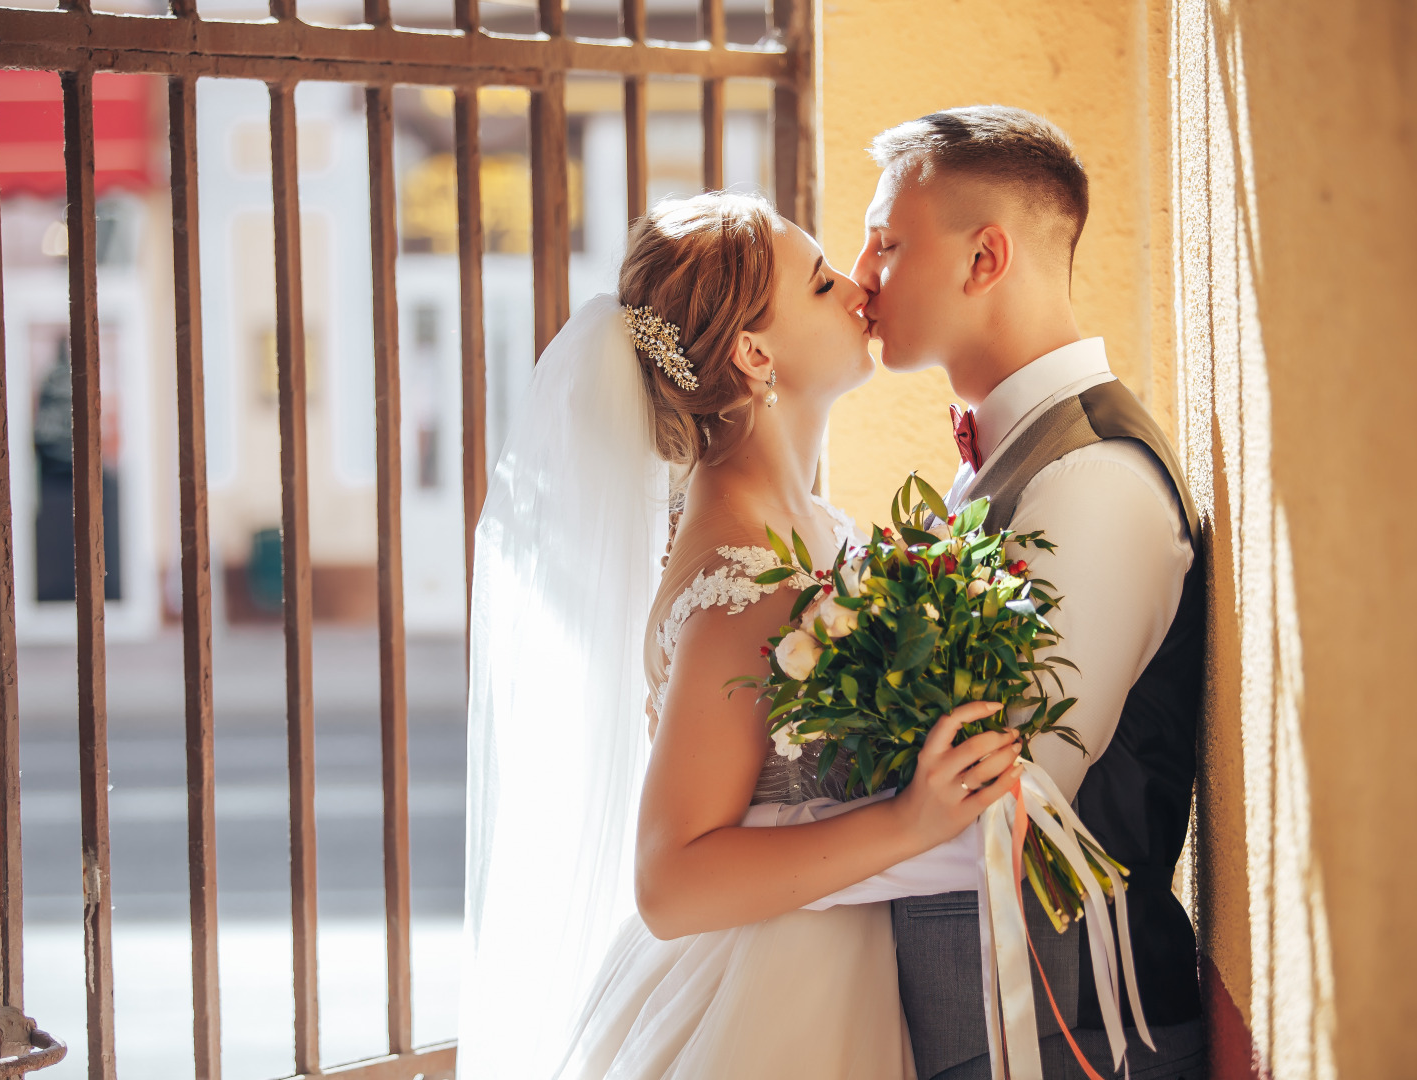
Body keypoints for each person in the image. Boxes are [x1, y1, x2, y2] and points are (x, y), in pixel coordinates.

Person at [455, 192, 1023, 1080]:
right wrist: (910, 821)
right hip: (771, 1003)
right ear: (754, 353)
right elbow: (669, 882)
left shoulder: (796, 525)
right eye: (820, 279)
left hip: (845, 973)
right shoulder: (744, 582)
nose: (855, 285)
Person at [767, 106, 1207, 1080]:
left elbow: (1013, 814)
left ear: (982, 259)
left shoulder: (1090, 481)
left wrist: (751, 875)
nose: (861, 274)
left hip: (1069, 1031)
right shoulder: (1009, 458)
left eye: (886, 242)